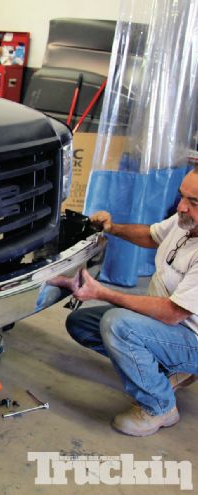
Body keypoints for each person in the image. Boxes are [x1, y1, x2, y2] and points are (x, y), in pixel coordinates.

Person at [51, 169, 198, 437]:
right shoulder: (186, 221)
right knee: (81, 323)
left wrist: (102, 293)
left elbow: (173, 314)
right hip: (167, 323)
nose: (181, 207)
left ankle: (160, 406)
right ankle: (166, 370)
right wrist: (112, 228)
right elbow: (152, 236)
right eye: (181, 196)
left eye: (194, 202)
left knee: (119, 326)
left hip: (190, 336)